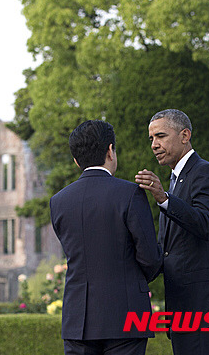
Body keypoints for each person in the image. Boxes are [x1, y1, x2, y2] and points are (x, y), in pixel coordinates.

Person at [50, 120, 162, 355]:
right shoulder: (131, 194)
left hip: (77, 319)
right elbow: (150, 258)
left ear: (76, 160)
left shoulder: (58, 201)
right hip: (126, 316)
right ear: (110, 151)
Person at [135, 109, 209, 355]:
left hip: (204, 305)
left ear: (184, 135)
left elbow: (206, 224)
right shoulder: (175, 179)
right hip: (184, 303)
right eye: (151, 139)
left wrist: (164, 199)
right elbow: (169, 249)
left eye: (160, 136)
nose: (154, 144)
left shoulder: (205, 172)